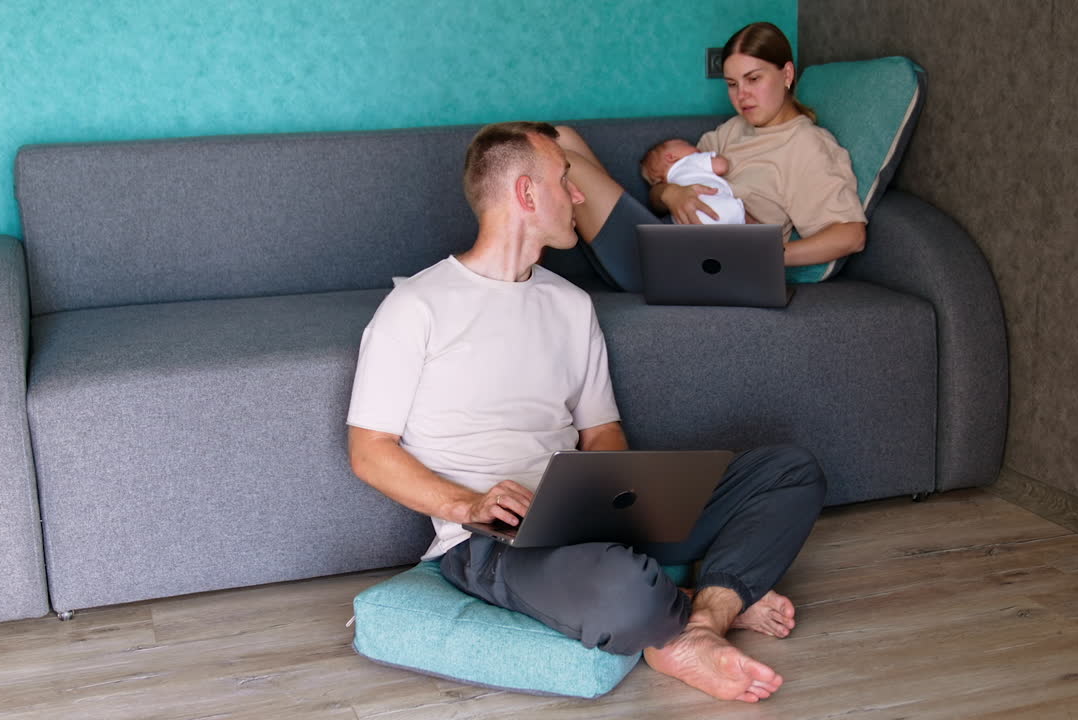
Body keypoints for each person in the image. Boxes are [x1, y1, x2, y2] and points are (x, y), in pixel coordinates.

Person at [346, 120, 826, 703]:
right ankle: (710, 600)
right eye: (564, 180)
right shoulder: (415, 306)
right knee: (621, 589)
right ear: (526, 194)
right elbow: (369, 450)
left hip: (588, 515)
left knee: (790, 470)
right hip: (490, 539)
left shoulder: (571, 305)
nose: (578, 196)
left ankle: (701, 621)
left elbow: (602, 431)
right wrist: (467, 504)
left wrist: (618, 499)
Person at [556, 21, 868, 292]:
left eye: (754, 79)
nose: (741, 95)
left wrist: (766, 253)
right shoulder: (732, 131)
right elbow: (662, 190)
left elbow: (851, 235)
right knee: (560, 136)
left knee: (563, 163)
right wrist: (672, 193)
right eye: (732, 84)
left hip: (691, 267)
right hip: (667, 240)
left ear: (787, 74)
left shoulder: (806, 145)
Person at [640, 138, 746, 225]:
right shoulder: (689, 160)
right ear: (671, 157)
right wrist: (716, 157)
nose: (695, 147)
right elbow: (721, 166)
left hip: (688, 218)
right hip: (716, 207)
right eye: (686, 144)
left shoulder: (672, 182)